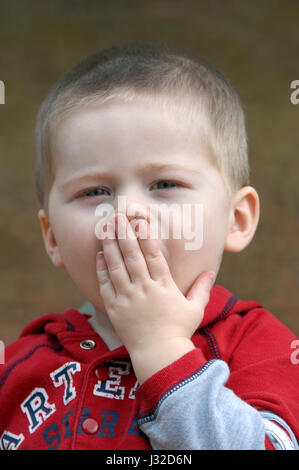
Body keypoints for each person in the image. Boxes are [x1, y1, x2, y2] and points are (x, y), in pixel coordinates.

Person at [0, 42, 298, 451]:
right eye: (95, 191)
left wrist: (162, 350)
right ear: (52, 237)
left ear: (236, 219)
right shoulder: (20, 362)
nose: (127, 213)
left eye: (164, 184)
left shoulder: (261, 347)